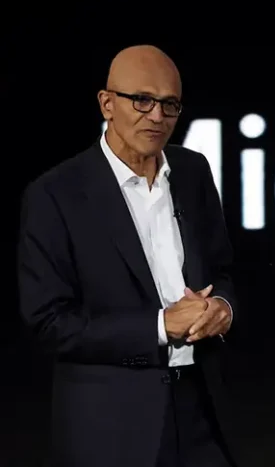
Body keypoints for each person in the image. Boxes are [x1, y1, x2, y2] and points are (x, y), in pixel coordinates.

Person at [17, 45, 242, 467]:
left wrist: (222, 307)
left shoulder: (193, 172)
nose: (156, 116)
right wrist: (159, 326)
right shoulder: (56, 194)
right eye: (142, 100)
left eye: (170, 104)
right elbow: (49, 323)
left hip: (200, 410)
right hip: (112, 427)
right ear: (107, 103)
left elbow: (223, 269)